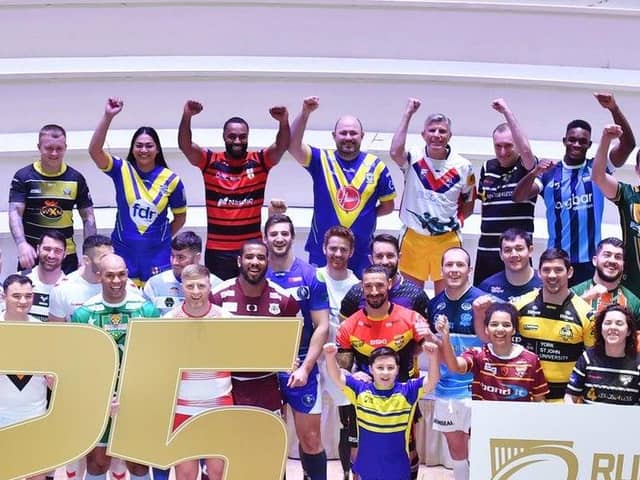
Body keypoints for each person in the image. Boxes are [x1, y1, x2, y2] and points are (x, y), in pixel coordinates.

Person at [513, 93, 635, 285]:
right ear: (564, 140)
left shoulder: (598, 168)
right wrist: (534, 172)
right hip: (557, 260)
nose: (576, 144)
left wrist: (613, 108)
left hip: (590, 261)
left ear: (589, 145)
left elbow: (628, 145)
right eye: (572, 139)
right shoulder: (549, 173)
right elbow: (518, 197)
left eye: (582, 141)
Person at [337, 264, 432, 480]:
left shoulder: (411, 318)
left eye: (379, 285)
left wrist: (433, 338)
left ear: (389, 284)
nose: (374, 291)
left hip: (402, 397)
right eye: (368, 286)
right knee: (357, 450)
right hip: (364, 398)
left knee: (407, 449)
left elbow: (431, 347)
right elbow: (342, 365)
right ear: (362, 287)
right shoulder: (348, 326)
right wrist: (352, 374)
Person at [178, 99, 290, 280]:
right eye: (232, 136)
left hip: (251, 249)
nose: (237, 141)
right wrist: (187, 116)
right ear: (224, 137)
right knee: (220, 302)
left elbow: (281, 146)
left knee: (252, 299)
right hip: (218, 251)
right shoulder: (210, 161)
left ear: (247, 137)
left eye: (242, 136)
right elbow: (185, 146)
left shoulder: (260, 161)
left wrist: (283, 121)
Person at [71, 254, 160, 480]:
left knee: (139, 464)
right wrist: (98, 397)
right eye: (110, 275)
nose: (116, 280)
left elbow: (156, 360)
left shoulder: (146, 311)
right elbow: (79, 364)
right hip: (99, 401)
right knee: (98, 463)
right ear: (99, 276)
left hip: (137, 400)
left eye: (121, 274)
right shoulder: (84, 313)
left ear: (127, 275)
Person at [288, 96, 396, 276]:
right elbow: (292, 145)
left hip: (362, 251)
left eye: (353, 133)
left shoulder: (376, 166)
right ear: (334, 136)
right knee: (320, 300)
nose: (348, 137)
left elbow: (388, 206)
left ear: (362, 136)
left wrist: (367, 214)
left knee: (359, 301)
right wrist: (305, 113)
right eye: (343, 133)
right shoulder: (320, 159)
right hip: (323, 249)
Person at [89, 97, 187, 286]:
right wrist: (108, 116)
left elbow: (180, 218)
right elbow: (94, 151)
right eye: (139, 145)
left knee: (156, 308)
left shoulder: (171, 179)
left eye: (149, 145)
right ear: (132, 149)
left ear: (157, 149)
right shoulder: (122, 169)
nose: (144, 150)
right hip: (124, 252)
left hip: (158, 256)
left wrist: (159, 238)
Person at [263, 213, 330, 480]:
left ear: (292, 237)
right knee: (270, 439)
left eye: (284, 233)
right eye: (274, 234)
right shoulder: (256, 272)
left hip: (302, 365)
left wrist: (305, 367)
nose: (279, 238)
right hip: (265, 367)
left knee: (311, 439)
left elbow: (322, 326)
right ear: (265, 238)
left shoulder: (310, 275)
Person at [390, 98, 475, 293]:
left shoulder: (463, 166)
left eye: (442, 131)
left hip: (447, 240)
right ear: (423, 134)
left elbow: (468, 204)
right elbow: (395, 151)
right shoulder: (413, 158)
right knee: (409, 298)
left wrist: (450, 223)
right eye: (432, 130)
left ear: (450, 136)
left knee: (448, 298)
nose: (437, 135)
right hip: (413, 238)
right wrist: (408, 113)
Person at [323, 343, 440, 480]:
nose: (385, 372)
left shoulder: (408, 391)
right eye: (380, 368)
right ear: (371, 369)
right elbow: (336, 376)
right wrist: (330, 357)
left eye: (390, 368)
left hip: (398, 468)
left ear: (397, 370)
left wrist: (433, 358)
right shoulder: (360, 390)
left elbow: (432, 380)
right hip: (367, 468)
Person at [210, 240, 299, 412]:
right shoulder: (217, 296)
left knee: (269, 437)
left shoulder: (284, 299)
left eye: (260, 257)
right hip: (227, 386)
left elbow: (290, 343)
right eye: (249, 257)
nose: (255, 262)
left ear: (268, 262)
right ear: (239, 261)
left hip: (267, 386)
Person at [164, 264, 232, 480]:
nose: (195, 291)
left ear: (209, 286)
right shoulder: (167, 322)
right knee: (185, 474)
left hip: (219, 405)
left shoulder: (227, 319)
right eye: (190, 286)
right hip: (181, 406)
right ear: (181, 287)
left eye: (201, 286)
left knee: (218, 472)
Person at [427, 247, 485, 480]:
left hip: (479, 387)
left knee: (481, 442)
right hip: (447, 387)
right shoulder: (434, 304)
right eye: (449, 265)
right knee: (455, 445)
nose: (454, 270)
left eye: (459, 265)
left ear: (469, 270)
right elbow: (437, 347)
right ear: (441, 269)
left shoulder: (482, 301)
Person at [9, 124, 96, 274]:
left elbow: (88, 217)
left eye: (59, 148)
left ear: (65, 147)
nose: (54, 153)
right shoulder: (23, 177)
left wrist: (89, 253)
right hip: (32, 254)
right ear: (39, 147)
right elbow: (15, 212)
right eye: (49, 148)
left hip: (65, 255)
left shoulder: (76, 178)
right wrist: (22, 244)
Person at [512, 248, 594, 402]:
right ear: (539, 273)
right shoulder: (519, 306)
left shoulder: (586, 313)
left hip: (567, 401)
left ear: (569, 272)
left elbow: (593, 360)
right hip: (525, 399)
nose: (552, 275)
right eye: (546, 270)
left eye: (558, 270)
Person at [474, 98, 537, 284]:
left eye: (508, 145)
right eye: (498, 146)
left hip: (516, 252)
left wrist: (506, 112)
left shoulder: (528, 166)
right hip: (487, 252)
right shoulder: (487, 167)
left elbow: (526, 150)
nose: (502, 151)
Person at [436, 302, 548, 402]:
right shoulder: (478, 354)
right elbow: (454, 366)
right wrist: (445, 337)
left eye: (506, 325)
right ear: (486, 329)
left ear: (514, 330)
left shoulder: (531, 360)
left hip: (517, 423)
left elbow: (539, 400)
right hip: (483, 422)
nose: (500, 329)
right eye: (494, 324)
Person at [315, 226, 359, 480]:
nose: (338, 253)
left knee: (348, 423)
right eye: (333, 248)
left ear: (351, 251)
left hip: (344, 364)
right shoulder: (314, 277)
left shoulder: (358, 285)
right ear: (324, 249)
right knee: (309, 424)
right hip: (313, 361)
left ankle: (346, 473)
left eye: (343, 249)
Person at [591, 124, 640, 294]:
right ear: (637, 169)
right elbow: (598, 176)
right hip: (634, 289)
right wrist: (606, 139)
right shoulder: (628, 194)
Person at [340, 233, 430, 320]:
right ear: (371, 259)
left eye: (390, 256)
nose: (385, 262)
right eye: (379, 256)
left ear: (399, 257)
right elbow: (344, 330)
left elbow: (427, 331)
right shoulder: (357, 293)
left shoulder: (415, 294)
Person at [565, 304, 640, 405]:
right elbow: (570, 397)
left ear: (629, 331)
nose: (612, 327)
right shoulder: (587, 358)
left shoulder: (638, 364)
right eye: (608, 323)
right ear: (601, 328)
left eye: (619, 323)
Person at [143, 231, 222, 315]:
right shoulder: (154, 284)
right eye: (172, 256)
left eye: (181, 257)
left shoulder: (217, 286)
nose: (174, 262)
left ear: (197, 257)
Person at [571, 237, 640, 321]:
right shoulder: (574, 292)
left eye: (618, 257)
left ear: (623, 265)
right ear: (595, 261)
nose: (612, 260)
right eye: (607, 255)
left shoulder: (633, 302)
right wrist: (584, 298)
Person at [478, 228, 541, 302]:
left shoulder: (544, 283)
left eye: (519, 249)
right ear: (501, 254)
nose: (514, 255)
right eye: (508, 250)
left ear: (530, 251)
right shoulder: (487, 287)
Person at [21, 230, 66, 322]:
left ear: (65, 254)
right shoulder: (18, 281)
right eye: (47, 249)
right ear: (38, 249)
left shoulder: (71, 286)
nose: (51, 255)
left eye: (57, 251)